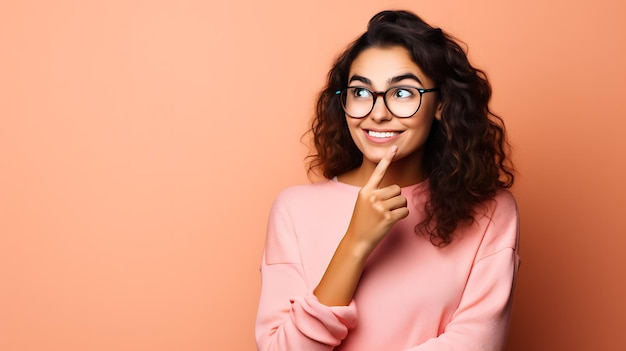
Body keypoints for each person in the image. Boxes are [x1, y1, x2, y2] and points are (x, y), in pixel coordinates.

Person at [255, 9, 520, 351]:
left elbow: (474, 344)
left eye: (403, 93)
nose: (378, 113)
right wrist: (355, 243)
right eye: (362, 93)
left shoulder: (491, 213)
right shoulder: (293, 209)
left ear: (440, 103)